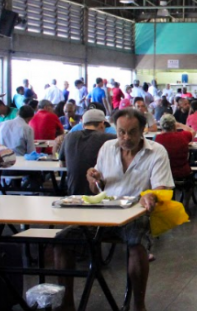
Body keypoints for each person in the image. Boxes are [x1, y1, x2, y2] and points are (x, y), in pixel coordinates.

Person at [56, 108, 174, 311]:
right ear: (114, 129)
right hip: (105, 211)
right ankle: (66, 304)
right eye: (121, 132)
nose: (126, 138)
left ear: (143, 130)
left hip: (136, 213)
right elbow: (96, 189)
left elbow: (160, 188)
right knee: (62, 240)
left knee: (136, 245)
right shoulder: (107, 148)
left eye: (132, 132)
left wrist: (151, 195)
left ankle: (138, 305)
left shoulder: (157, 151)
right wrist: (94, 178)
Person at [58, 109, 116, 196]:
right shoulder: (111, 138)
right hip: (102, 194)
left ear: (83, 125)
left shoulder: (69, 137)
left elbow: (62, 164)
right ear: (101, 125)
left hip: (74, 193)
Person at [155, 114, 196, 208]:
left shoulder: (157, 138)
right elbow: (192, 131)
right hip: (183, 172)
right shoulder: (184, 135)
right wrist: (180, 124)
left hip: (164, 173)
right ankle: (185, 205)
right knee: (190, 180)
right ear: (174, 125)